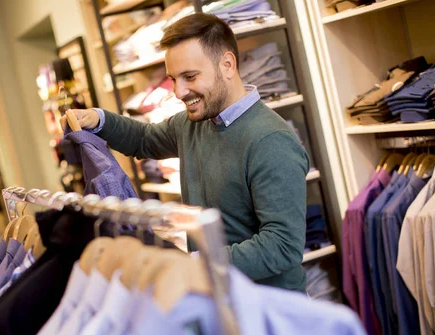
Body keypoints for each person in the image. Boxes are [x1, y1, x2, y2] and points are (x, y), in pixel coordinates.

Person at [61, 13, 310, 292]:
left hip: (269, 310)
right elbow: (144, 138)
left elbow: (282, 246)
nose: (178, 91)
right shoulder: (193, 123)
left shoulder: (271, 140)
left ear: (227, 65)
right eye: (173, 79)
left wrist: (193, 264)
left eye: (189, 77)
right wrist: (98, 119)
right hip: (218, 297)